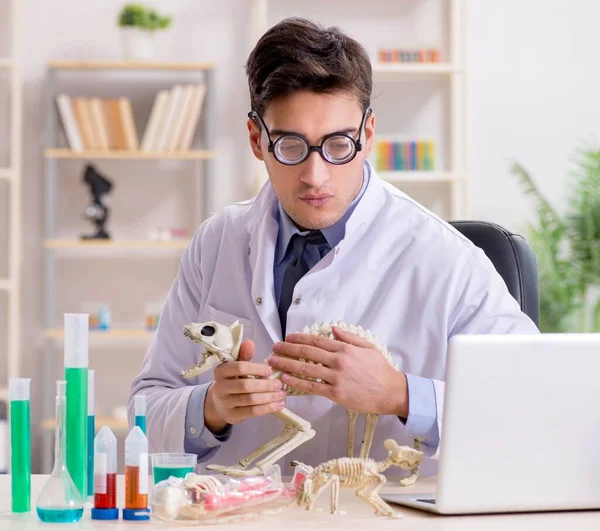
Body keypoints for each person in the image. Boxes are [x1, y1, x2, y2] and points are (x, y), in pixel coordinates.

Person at [128, 17, 538, 478]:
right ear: (256, 140)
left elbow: (531, 408)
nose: (315, 176)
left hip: (379, 519)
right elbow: (145, 409)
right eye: (289, 145)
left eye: (338, 144)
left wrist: (401, 394)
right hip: (237, 516)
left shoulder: (448, 260)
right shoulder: (216, 241)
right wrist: (210, 407)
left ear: (367, 135)